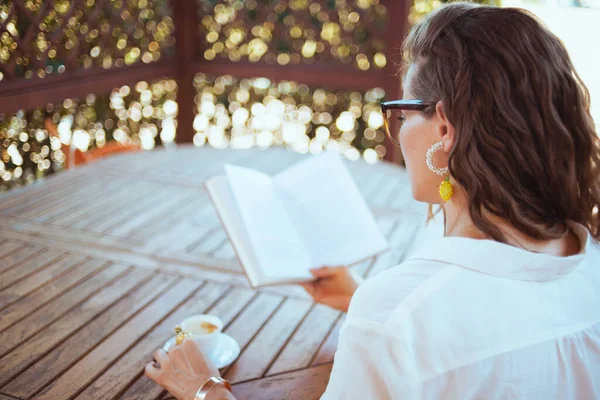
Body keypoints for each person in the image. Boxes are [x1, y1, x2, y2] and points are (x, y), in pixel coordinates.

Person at [145, 3, 600, 399]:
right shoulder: (589, 262)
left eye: (401, 114)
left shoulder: (397, 316)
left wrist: (206, 389)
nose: (399, 132)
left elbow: (436, 329)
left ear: (443, 130)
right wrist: (361, 297)